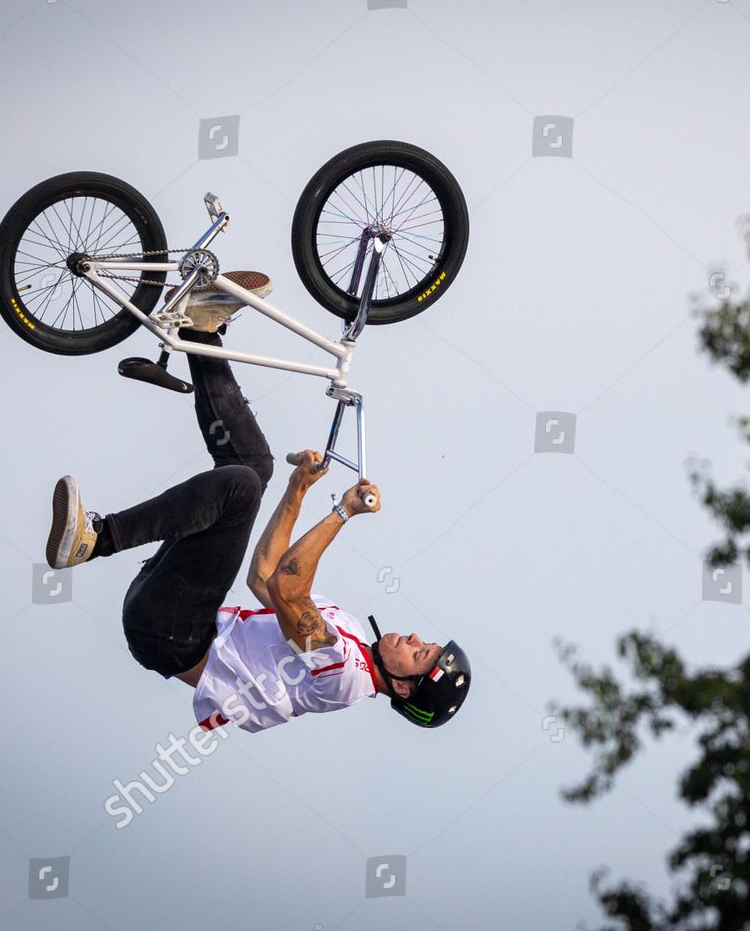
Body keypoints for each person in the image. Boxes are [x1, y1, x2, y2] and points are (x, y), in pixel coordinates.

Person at [41, 271, 471, 731]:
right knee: (251, 464)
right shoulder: (348, 635)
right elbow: (265, 576)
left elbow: (289, 588)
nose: (413, 637)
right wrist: (297, 489)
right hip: (175, 615)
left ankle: (96, 539)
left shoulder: (346, 677)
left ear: (404, 687)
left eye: (419, 652)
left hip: (173, 636)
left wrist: (343, 511)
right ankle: (198, 330)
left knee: (241, 487)